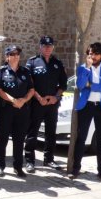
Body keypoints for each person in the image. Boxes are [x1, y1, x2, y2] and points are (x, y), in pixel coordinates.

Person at [71, 42, 101, 182]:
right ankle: (75, 169)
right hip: (87, 106)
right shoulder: (83, 68)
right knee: (81, 137)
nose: (92, 56)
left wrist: (90, 85)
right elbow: (79, 85)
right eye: (90, 54)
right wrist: (87, 70)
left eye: (96, 54)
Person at [23, 36, 67, 173]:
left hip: (52, 104)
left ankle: (49, 159)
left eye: (50, 46)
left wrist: (56, 97)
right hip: (37, 103)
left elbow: (63, 84)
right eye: (45, 46)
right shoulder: (32, 62)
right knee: (32, 133)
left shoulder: (57, 63)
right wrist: (39, 97)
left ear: (53, 47)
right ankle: (30, 161)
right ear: (40, 47)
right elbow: (28, 84)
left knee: (51, 133)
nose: (48, 48)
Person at [0, 45, 35, 178]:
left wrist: (23, 100)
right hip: (5, 109)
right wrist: (13, 100)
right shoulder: (1, 71)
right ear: (7, 57)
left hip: (21, 110)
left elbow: (32, 89)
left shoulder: (25, 71)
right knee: (2, 138)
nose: (15, 56)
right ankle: (0, 166)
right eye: (12, 54)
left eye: (17, 54)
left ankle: (18, 167)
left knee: (19, 139)